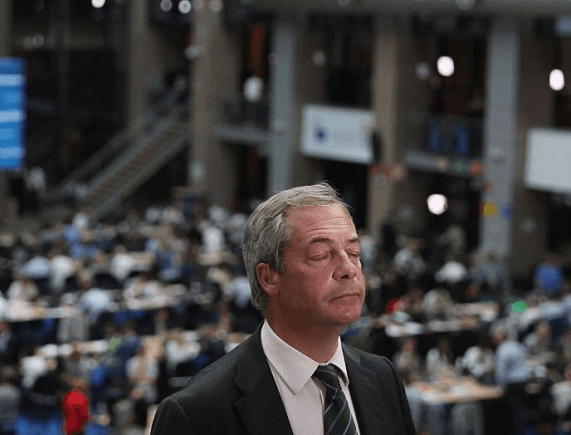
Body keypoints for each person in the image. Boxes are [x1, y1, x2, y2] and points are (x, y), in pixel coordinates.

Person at [149, 182, 416, 435]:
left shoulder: (383, 378)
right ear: (269, 277)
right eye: (321, 255)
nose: (348, 269)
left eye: (354, 253)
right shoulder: (196, 413)